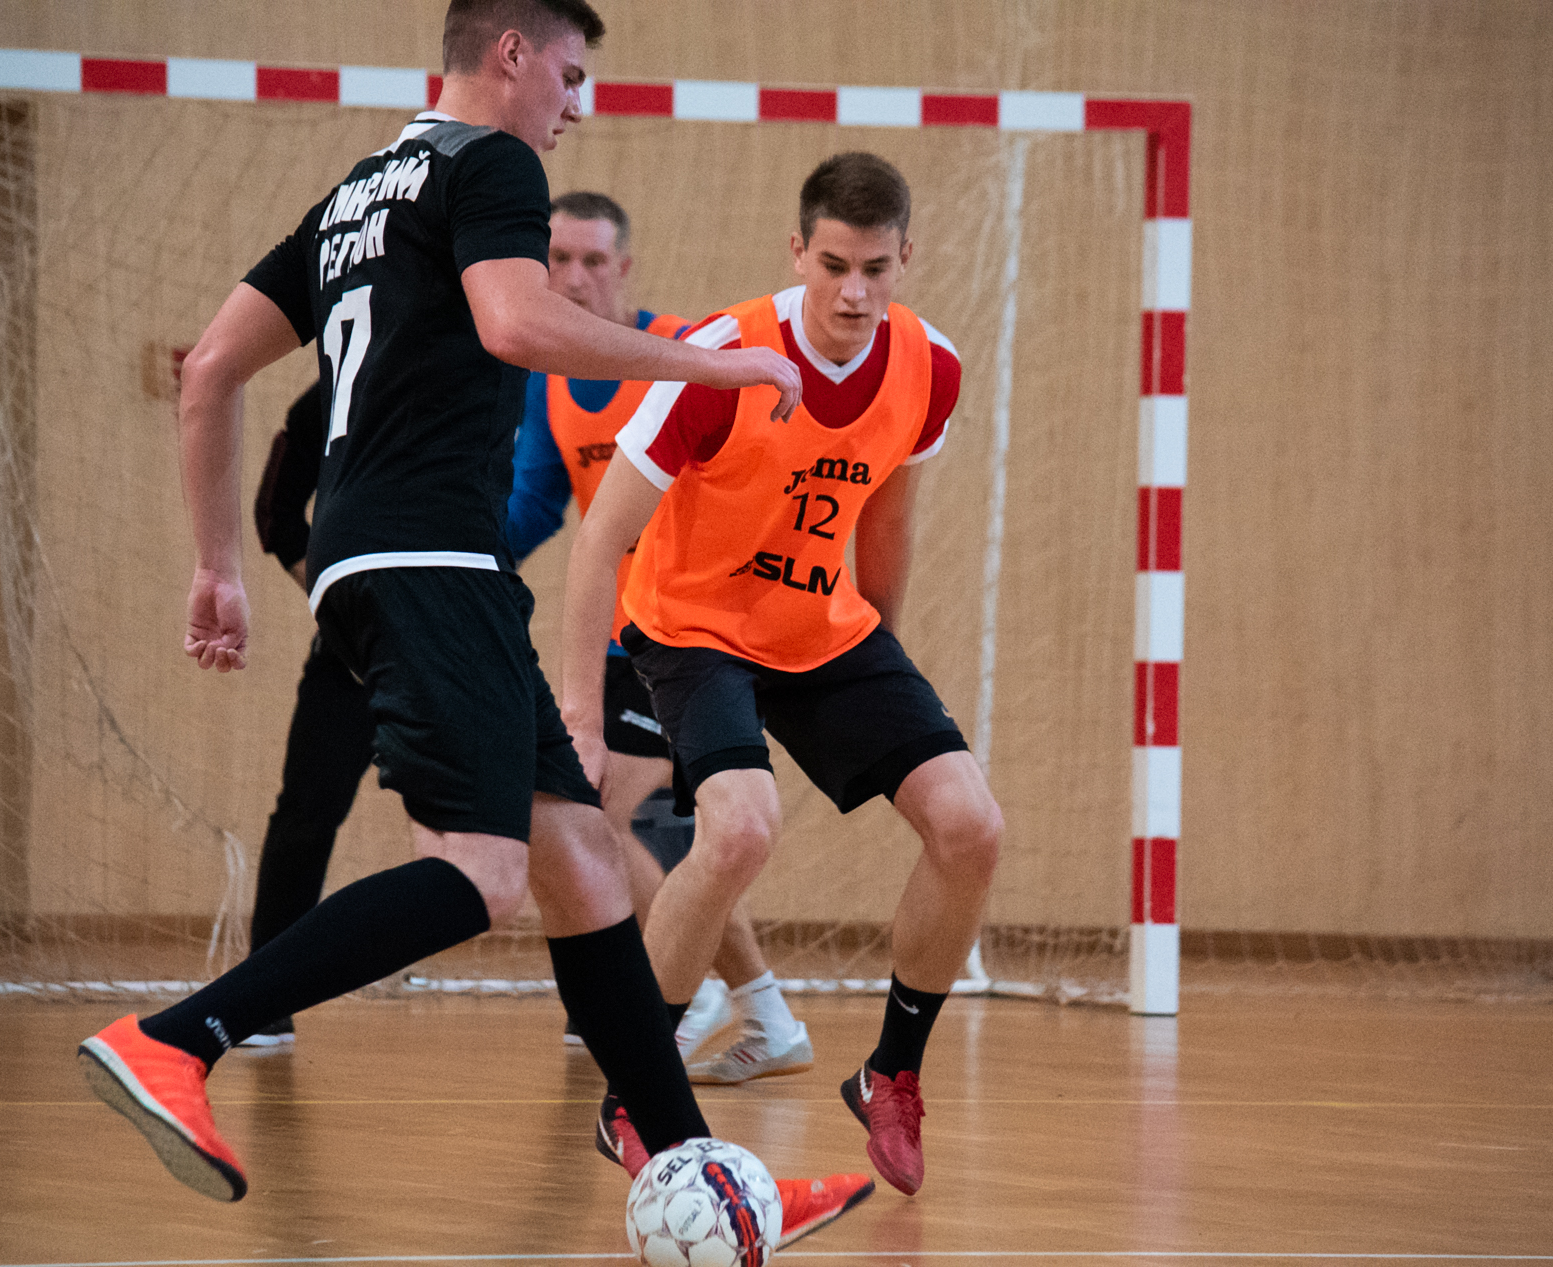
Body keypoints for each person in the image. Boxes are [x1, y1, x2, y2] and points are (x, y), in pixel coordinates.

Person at [73, 0, 870, 1242]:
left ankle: (700, 1169)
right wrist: (712, 363)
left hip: (384, 558)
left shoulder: (357, 193)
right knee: (485, 871)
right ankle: (179, 1036)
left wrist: (217, 563)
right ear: (509, 54)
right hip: (429, 557)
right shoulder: (491, 162)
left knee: (582, 858)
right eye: (568, 72)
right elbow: (514, 322)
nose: (575, 102)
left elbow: (211, 369)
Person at [561, 152, 1003, 1198]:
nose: (854, 292)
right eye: (834, 266)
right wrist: (580, 710)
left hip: (825, 628)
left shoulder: (929, 366)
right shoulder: (721, 357)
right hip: (693, 625)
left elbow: (887, 517)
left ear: (906, 258)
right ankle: (633, 1093)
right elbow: (600, 541)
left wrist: (887, 674)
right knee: (739, 830)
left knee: (970, 825)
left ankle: (891, 1072)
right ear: (797, 251)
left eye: (876, 269)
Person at [507, 190, 810, 1080]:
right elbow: (535, 503)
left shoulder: (690, 350)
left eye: (593, 260)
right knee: (636, 831)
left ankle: (696, 990)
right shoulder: (551, 381)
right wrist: (454, 557)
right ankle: (763, 1011)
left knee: (595, 814)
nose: (574, 277)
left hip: (691, 631)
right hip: (612, 641)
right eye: (557, 259)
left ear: (626, 268)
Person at [228, 383, 373, 1048]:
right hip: (352, 655)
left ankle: (599, 1004)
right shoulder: (331, 392)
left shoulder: (490, 372)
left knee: (536, 812)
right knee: (306, 814)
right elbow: (275, 513)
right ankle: (265, 995)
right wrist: (340, 603)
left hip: (456, 641)